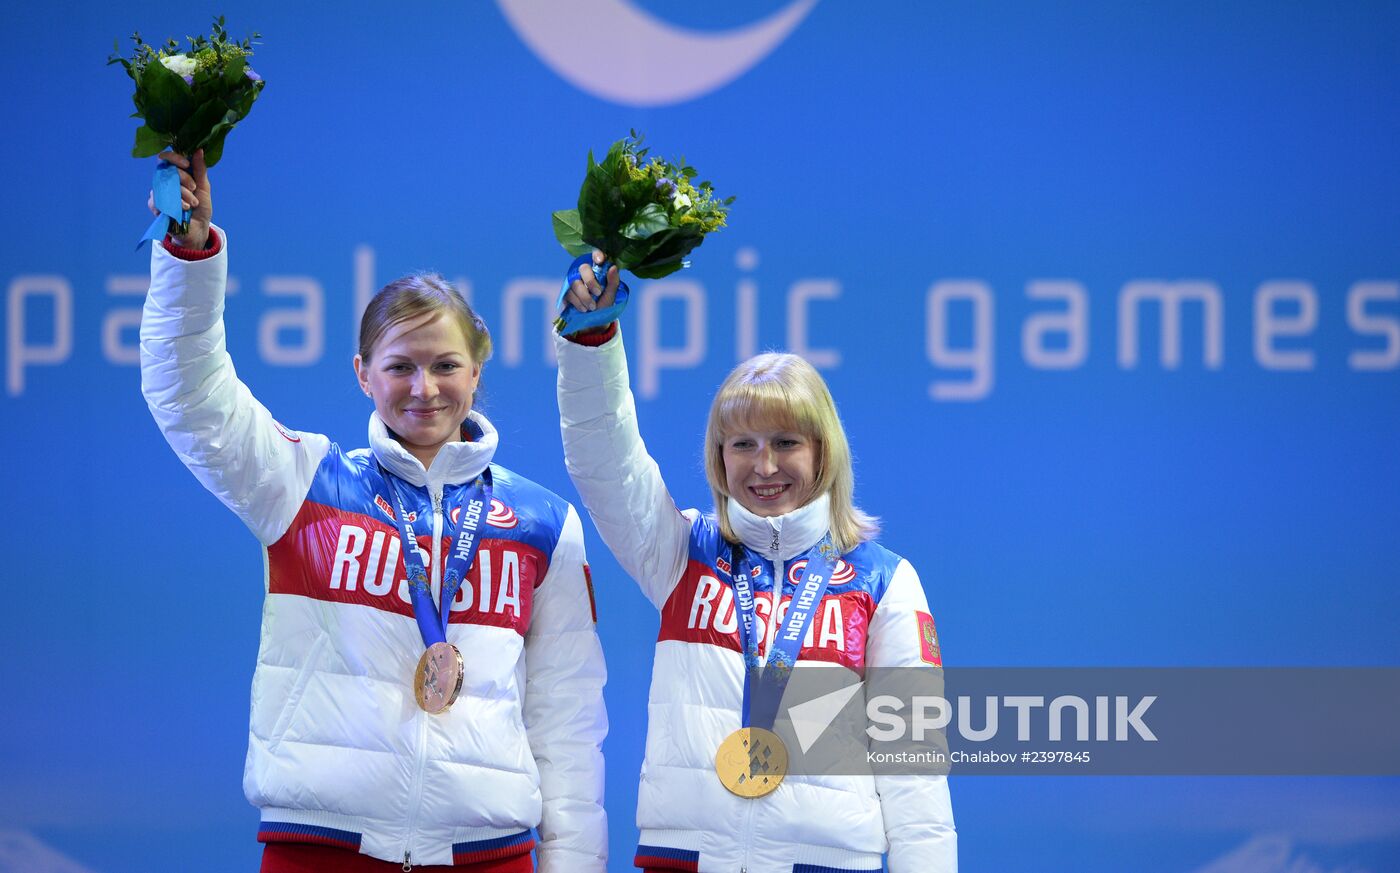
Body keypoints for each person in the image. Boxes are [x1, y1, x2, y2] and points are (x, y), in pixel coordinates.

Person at [140, 150, 607, 873]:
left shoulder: (544, 524)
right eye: (400, 365)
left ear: (477, 374)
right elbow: (192, 397)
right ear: (363, 375)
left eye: (446, 364)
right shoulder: (303, 482)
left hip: (488, 856)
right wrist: (189, 257)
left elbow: (568, 721)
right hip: (322, 848)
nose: (424, 387)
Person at [553, 254, 956, 872]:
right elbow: (607, 459)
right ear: (719, 456)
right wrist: (591, 344)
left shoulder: (883, 582)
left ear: (824, 452)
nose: (764, 466)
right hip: (687, 859)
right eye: (743, 444)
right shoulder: (680, 552)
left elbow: (915, 770)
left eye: (786, 443)